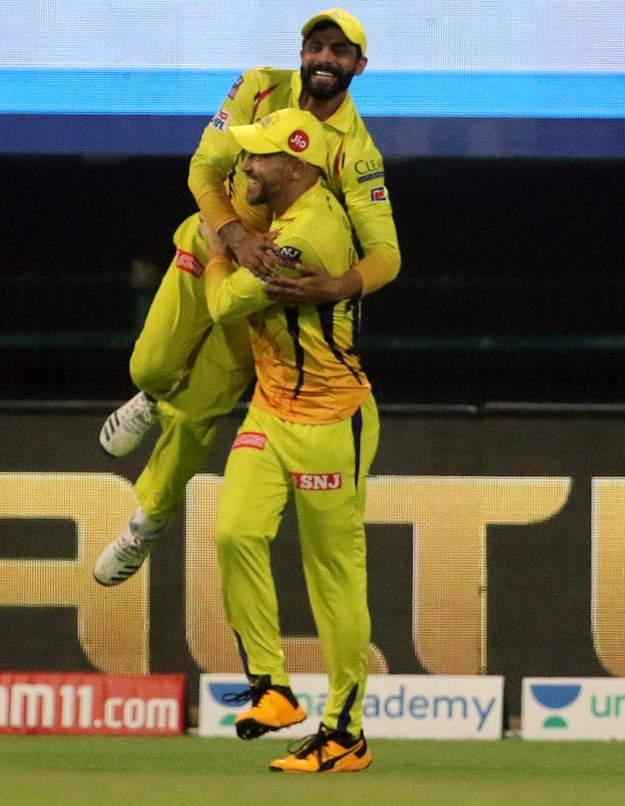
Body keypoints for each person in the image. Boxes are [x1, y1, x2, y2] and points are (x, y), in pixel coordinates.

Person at [93, 8, 398, 586]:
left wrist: (339, 284)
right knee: (151, 366)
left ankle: (145, 523)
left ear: (360, 64)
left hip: (259, 293)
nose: (324, 59)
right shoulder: (258, 86)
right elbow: (205, 167)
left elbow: (387, 254)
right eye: (316, 47)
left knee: (198, 411)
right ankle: (152, 395)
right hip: (209, 242)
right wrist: (230, 233)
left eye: (339, 50)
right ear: (302, 52)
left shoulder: (355, 153)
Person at [202, 107, 377, 773]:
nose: (245, 165)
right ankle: (273, 690)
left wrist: (219, 244)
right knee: (235, 533)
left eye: (258, 157)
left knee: (334, 579)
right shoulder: (284, 214)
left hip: (331, 421)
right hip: (271, 411)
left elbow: (223, 305)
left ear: (297, 165)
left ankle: (345, 733)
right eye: (245, 154)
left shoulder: (302, 238)